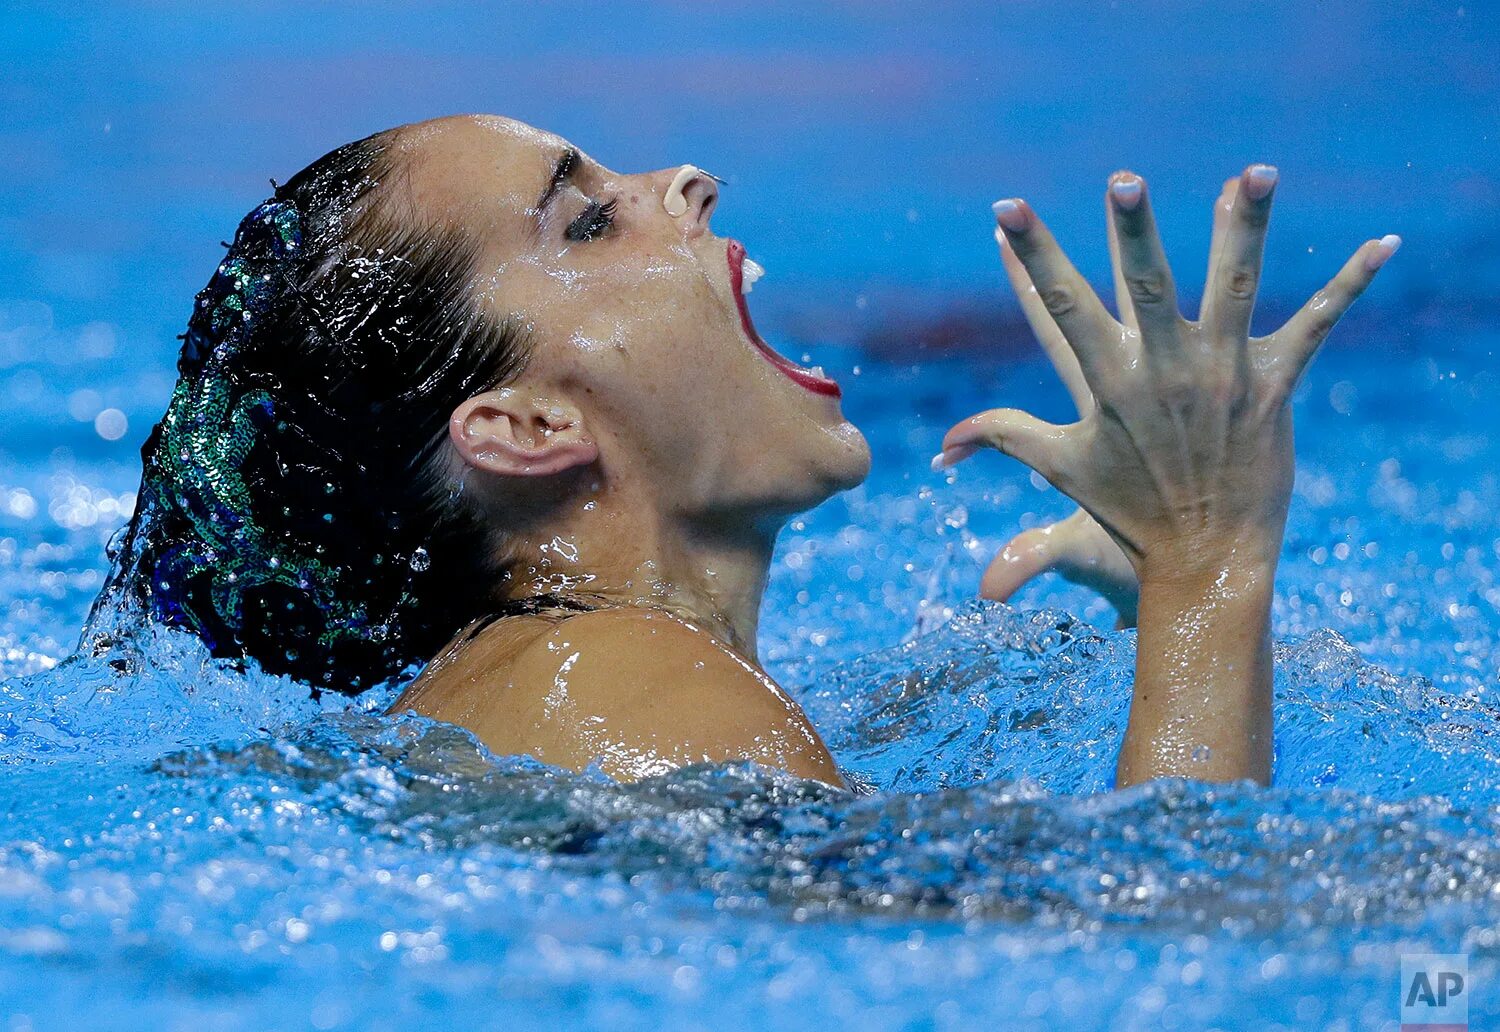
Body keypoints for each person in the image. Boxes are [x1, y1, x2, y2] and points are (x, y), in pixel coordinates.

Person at [98, 115, 1398, 790]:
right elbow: (1164, 973)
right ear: (528, 428)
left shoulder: (568, 696)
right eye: (590, 221)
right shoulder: (655, 708)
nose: (688, 182)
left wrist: (1163, 620)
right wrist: (1206, 565)